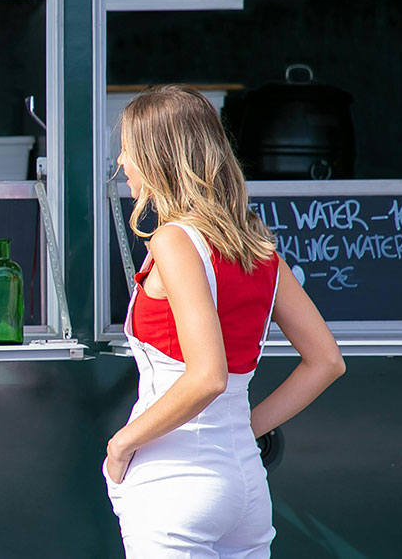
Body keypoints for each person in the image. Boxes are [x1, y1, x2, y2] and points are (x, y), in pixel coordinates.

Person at [104, 84, 346, 557]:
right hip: (245, 480)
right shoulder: (257, 244)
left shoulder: (173, 240)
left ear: (158, 157)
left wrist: (121, 444)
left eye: (128, 150)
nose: (121, 163)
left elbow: (207, 376)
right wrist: (242, 430)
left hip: (174, 479)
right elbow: (327, 361)